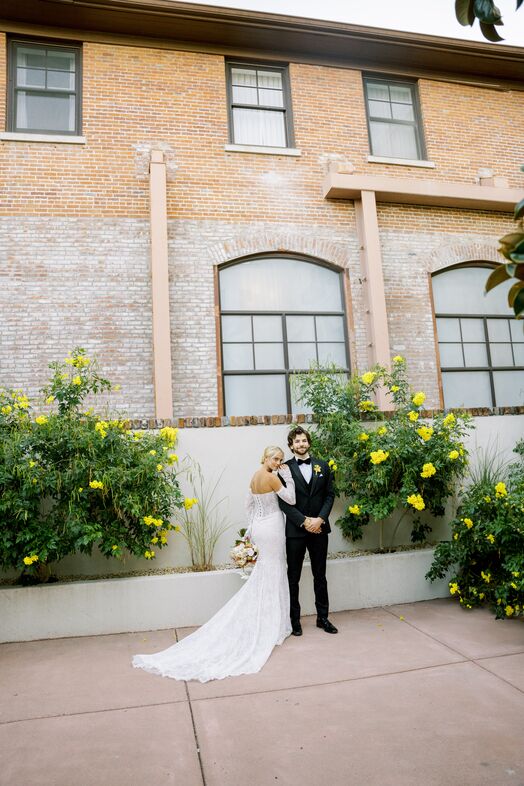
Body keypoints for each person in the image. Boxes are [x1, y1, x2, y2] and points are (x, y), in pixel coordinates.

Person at [132, 446, 295, 682]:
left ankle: (272, 619)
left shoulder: (254, 476)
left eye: (280, 459)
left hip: (259, 527)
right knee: (275, 570)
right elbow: (290, 498)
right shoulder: (271, 477)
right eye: (274, 458)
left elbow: (248, 505)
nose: (278, 462)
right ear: (265, 458)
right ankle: (274, 624)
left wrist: (251, 529)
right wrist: (287, 477)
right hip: (272, 527)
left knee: (266, 571)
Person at [278, 426, 337, 637]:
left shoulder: (323, 466)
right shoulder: (283, 469)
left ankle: (323, 618)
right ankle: (294, 621)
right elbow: (283, 502)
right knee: (293, 577)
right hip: (296, 531)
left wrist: (320, 519)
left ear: (308, 442)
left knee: (320, 576)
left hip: (320, 529)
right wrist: (304, 522)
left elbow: (330, 495)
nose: (301, 444)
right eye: (297, 441)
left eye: (304, 440)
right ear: (291, 445)